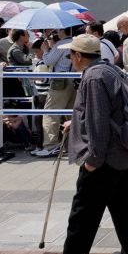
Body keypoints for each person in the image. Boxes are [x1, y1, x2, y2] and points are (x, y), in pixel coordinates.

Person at [33, 35, 128, 254]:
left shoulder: (93, 77)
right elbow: (105, 111)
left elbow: (98, 121)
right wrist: (77, 121)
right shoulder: (111, 70)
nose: (70, 59)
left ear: (79, 56)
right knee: (123, 205)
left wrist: (93, 157)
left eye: (71, 54)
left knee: (83, 212)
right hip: (120, 152)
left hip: (103, 155)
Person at [35, 27, 75, 157]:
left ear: (62, 31)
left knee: (50, 113)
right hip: (74, 81)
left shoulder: (61, 44)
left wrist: (46, 50)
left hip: (60, 82)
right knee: (71, 113)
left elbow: (48, 61)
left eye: (57, 30)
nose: (55, 33)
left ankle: (51, 145)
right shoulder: (75, 42)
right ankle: (72, 144)